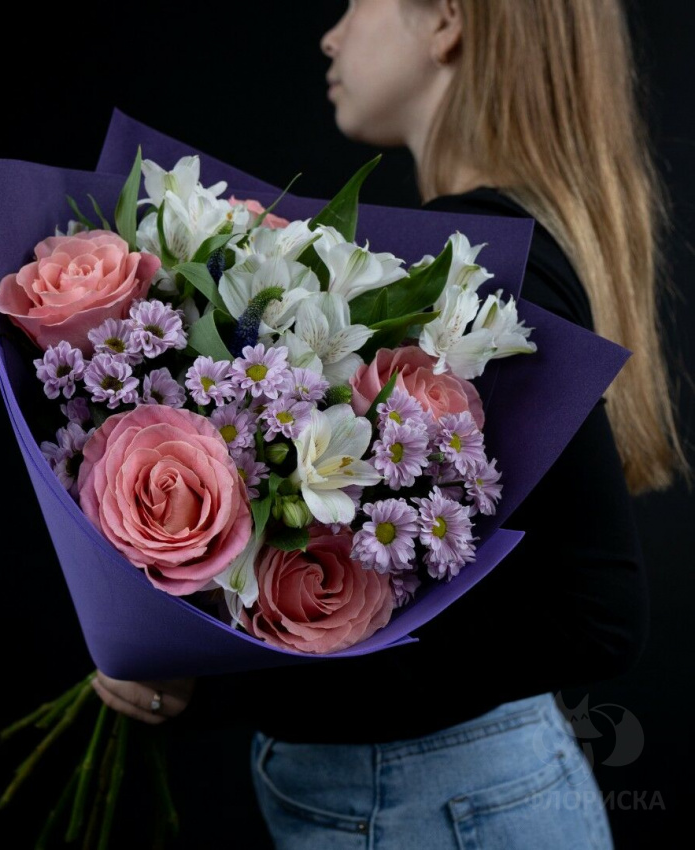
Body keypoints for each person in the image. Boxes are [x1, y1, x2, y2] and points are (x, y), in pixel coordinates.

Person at [91, 1, 690, 846]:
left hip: (437, 806)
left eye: (356, 2)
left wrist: (222, 685)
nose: (330, 34)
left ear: (446, 20)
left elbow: (596, 616)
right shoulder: (495, 246)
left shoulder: (486, 267)